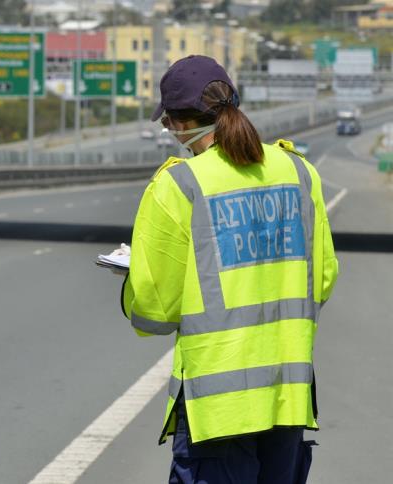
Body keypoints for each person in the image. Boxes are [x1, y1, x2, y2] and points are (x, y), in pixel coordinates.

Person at [120, 55, 338, 483]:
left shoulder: (178, 186)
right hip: (286, 397)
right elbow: (323, 278)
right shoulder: (298, 172)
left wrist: (131, 279)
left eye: (168, 123)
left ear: (180, 125)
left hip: (218, 411)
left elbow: (153, 312)